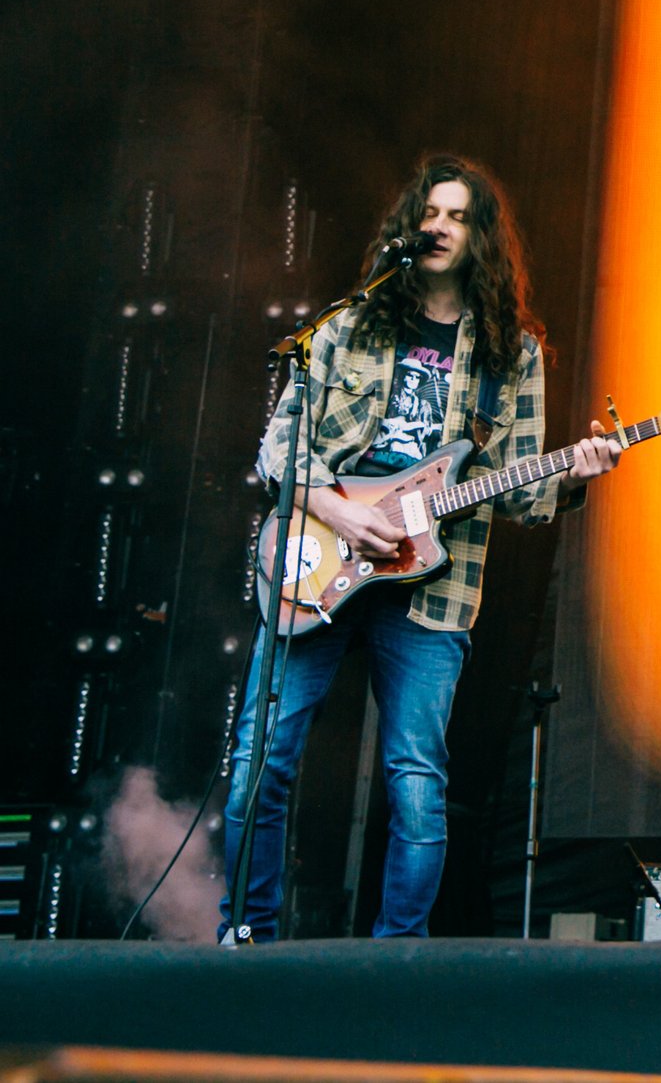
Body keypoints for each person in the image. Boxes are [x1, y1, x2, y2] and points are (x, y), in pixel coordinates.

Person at [220, 155, 621, 941]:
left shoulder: (512, 356)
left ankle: (395, 961)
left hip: (432, 590)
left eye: (459, 216)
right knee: (258, 762)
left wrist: (578, 471)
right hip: (320, 559)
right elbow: (277, 451)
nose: (439, 226)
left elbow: (525, 498)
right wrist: (339, 510)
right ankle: (247, 938)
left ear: (483, 240)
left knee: (416, 784)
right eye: (430, 212)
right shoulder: (347, 325)